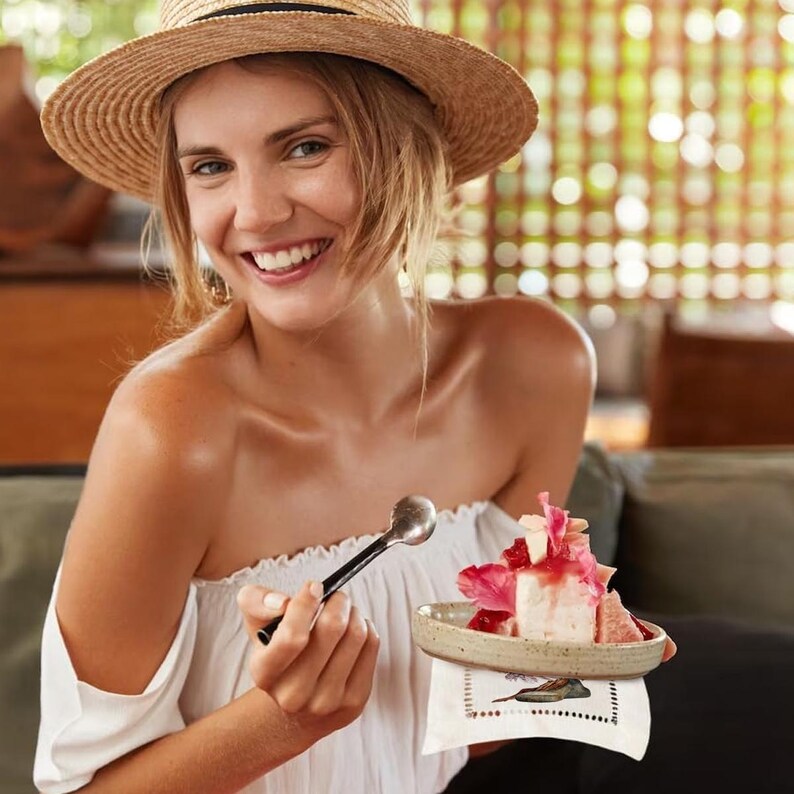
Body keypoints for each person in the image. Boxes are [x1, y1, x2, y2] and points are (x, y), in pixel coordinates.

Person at [33, 2, 624, 792]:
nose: (257, 212)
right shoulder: (174, 432)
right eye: (210, 166)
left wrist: (552, 649)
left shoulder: (534, 367)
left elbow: (477, 737)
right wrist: (281, 723)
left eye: (305, 147)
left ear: (405, 151)